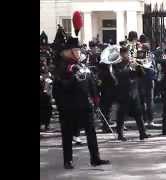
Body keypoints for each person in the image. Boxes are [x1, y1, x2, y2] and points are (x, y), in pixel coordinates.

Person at [52, 37, 110, 169]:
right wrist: (73, 79)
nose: (78, 52)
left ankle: (95, 158)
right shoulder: (62, 67)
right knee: (67, 134)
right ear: (68, 52)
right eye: (75, 50)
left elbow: (91, 84)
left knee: (91, 133)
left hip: (85, 105)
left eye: (78, 50)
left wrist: (95, 100)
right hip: (69, 107)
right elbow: (59, 87)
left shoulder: (83, 65)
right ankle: (68, 160)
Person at [113, 46, 151, 141]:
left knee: (139, 114)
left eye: (129, 53)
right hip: (123, 93)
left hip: (134, 92)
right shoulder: (117, 64)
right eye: (125, 54)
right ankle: (120, 135)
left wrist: (139, 66)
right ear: (121, 55)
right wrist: (129, 68)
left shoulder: (133, 63)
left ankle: (143, 133)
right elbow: (119, 75)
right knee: (121, 115)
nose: (128, 55)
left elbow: (142, 75)